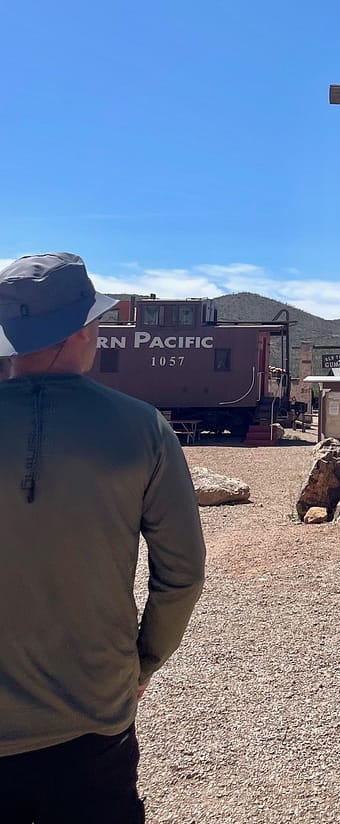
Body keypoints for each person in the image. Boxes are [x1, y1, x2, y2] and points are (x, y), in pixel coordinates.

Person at [0, 252, 206, 821]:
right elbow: (183, 575)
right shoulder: (143, 429)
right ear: (81, 330)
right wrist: (142, 664)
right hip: (92, 711)